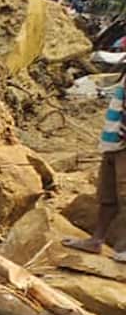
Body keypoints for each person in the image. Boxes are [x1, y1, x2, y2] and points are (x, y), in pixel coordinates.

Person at [63, 70, 126, 261]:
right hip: (113, 142)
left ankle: (123, 248)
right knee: (107, 196)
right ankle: (96, 240)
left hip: (122, 144)